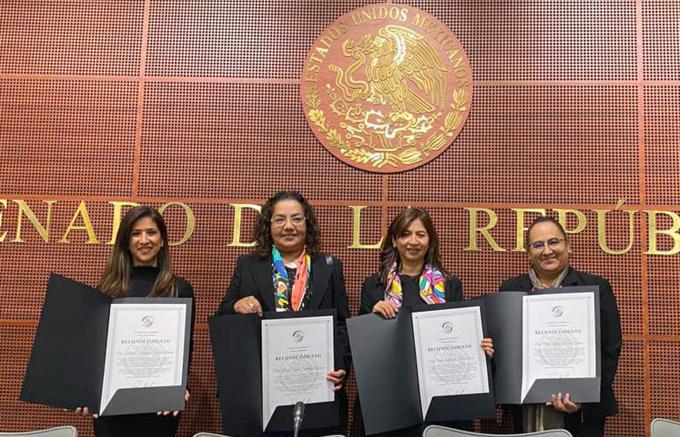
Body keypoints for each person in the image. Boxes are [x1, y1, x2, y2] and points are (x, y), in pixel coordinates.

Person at [216, 190, 351, 433]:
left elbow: (342, 324)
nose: (288, 226)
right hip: (260, 392)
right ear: (268, 225)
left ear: (307, 224)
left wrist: (341, 368)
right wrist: (236, 306)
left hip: (316, 389)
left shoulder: (328, 267)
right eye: (280, 219)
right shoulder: (248, 265)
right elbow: (223, 316)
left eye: (297, 219)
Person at [357, 207, 493, 436]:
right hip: (390, 399)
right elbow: (362, 352)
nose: (413, 241)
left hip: (440, 397)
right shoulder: (375, 286)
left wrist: (478, 349)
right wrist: (372, 318)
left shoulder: (449, 285)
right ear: (394, 240)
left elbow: (456, 336)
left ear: (430, 241)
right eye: (405, 234)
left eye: (420, 234)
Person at [75, 205, 195, 437]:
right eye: (135, 233)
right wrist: (87, 390)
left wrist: (180, 387)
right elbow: (96, 350)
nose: (144, 240)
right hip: (112, 408)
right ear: (126, 241)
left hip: (160, 406)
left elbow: (185, 351)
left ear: (162, 241)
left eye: (151, 232)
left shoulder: (179, 289)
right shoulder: (108, 288)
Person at [499, 216, 622, 437]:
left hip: (581, 415)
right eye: (538, 245)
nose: (547, 251)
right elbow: (505, 351)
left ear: (567, 245)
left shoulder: (595, 287)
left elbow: (609, 350)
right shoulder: (510, 291)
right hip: (526, 411)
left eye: (553, 242)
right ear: (529, 252)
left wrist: (583, 398)